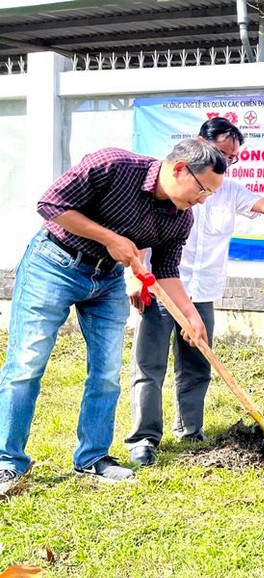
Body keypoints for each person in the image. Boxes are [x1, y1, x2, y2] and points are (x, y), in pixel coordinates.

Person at [0, 139, 227, 495]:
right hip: (54, 264)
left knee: (106, 373)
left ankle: (92, 457)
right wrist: (109, 238)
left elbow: (166, 271)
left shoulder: (180, 218)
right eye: (202, 190)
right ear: (180, 168)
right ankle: (8, 461)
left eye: (210, 194)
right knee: (27, 365)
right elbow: (51, 204)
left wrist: (190, 315)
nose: (202, 200)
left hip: (106, 280)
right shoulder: (113, 165)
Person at [125, 118, 264, 467]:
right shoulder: (172, 186)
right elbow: (142, 233)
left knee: (197, 364)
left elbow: (263, 204)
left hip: (202, 292)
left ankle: (190, 430)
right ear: (201, 144)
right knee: (149, 366)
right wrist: (138, 277)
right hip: (162, 289)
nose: (227, 162)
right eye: (223, 153)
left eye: (232, 157)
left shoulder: (228, 190)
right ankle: (144, 439)